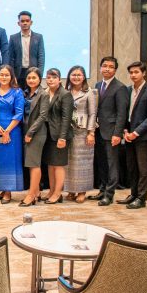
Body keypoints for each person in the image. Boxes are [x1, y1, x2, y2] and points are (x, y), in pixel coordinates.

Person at [90, 56, 129, 206]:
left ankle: (109, 194)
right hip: (99, 131)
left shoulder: (120, 87)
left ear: (115, 70)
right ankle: (102, 190)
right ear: (100, 68)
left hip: (112, 132)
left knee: (112, 164)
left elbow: (122, 113)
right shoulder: (98, 85)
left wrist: (117, 134)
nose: (107, 69)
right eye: (105, 66)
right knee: (102, 163)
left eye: (111, 67)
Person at [120, 61, 147, 209]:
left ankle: (141, 198)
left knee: (144, 169)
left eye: (136, 72)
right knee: (132, 167)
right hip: (128, 135)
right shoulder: (128, 90)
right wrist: (125, 131)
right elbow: (124, 113)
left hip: (143, 137)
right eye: (131, 72)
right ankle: (133, 194)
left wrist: (136, 133)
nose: (133, 75)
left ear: (144, 73)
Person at [0, 65, 25, 204]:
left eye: (7, 75)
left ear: (11, 77)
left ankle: (8, 192)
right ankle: (2, 188)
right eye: (1, 74)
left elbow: (19, 113)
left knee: (10, 160)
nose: (4, 77)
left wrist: (7, 131)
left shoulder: (17, 92)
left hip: (13, 131)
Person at [64, 65, 97, 203]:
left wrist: (91, 133)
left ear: (83, 77)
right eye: (73, 75)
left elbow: (92, 113)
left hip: (83, 131)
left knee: (83, 162)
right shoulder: (66, 91)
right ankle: (71, 190)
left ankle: (82, 191)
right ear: (69, 76)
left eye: (79, 75)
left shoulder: (90, 92)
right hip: (68, 131)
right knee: (69, 162)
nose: (76, 77)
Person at [41, 68, 74, 204]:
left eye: (54, 77)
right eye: (48, 77)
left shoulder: (65, 94)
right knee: (51, 164)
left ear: (59, 79)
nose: (51, 80)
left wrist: (62, 137)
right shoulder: (45, 93)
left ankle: (57, 193)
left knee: (59, 165)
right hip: (48, 134)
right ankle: (51, 190)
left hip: (60, 135)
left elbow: (67, 118)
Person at [20, 68, 49, 207]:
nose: (31, 80)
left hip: (36, 133)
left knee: (34, 163)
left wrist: (30, 133)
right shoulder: (25, 93)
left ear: (39, 79)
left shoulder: (43, 94)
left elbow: (43, 116)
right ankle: (36, 192)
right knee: (30, 163)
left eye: (34, 78)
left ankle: (31, 195)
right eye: (29, 78)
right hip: (25, 130)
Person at [8, 11, 45, 84]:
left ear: (31, 22)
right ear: (18, 23)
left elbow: (41, 57)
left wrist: (40, 74)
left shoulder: (38, 37)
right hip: (18, 73)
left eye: (27, 21)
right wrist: (12, 75)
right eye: (22, 21)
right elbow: (11, 58)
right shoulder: (13, 38)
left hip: (33, 72)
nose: (25, 23)